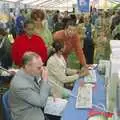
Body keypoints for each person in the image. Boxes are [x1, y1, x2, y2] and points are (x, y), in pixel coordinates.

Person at [9, 52, 51, 120]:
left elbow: (43, 89)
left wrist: (52, 91)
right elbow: (41, 102)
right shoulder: (20, 85)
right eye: (39, 68)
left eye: (42, 66)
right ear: (27, 66)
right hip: (26, 115)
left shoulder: (30, 72)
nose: (42, 70)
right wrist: (45, 80)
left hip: (35, 106)